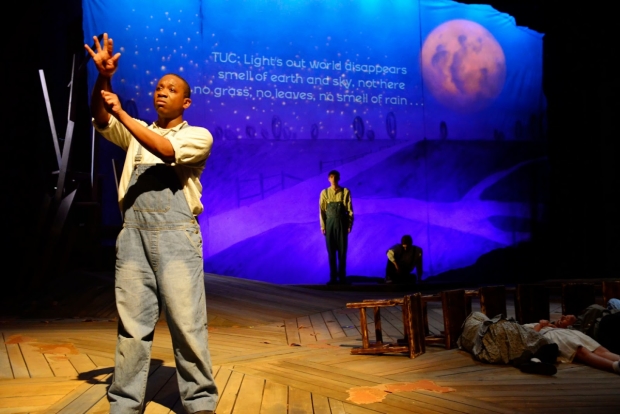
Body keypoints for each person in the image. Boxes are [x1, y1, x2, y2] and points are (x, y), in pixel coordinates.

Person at [85, 33, 218, 413]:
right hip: (134, 238)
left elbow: (164, 150)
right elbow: (100, 116)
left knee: (187, 326)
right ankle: (124, 404)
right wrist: (104, 78)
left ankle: (200, 404)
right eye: (159, 87)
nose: (162, 92)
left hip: (177, 237)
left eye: (171, 89)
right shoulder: (135, 134)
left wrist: (123, 114)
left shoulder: (198, 135)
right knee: (132, 328)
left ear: (185, 101)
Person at [458, 312, 559, 375]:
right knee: (549, 346)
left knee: (541, 346)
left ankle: (533, 362)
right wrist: (540, 325)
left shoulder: (465, 338)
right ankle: (533, 361)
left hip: (498, 336)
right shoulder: (477, 319)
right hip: (497, 331)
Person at [528, 316, 620, 374]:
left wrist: (564, 322)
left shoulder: (555, 324)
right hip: (554, 334)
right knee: (582, 352)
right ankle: (614, 366)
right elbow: (531, 336)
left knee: (601, 351)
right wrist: (540, 325)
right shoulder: (530, 325)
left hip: (570, 332)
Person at [319, 170, 353, 285]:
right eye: (331, 177)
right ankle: (333, 278)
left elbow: (349, 210)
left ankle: (342, 278)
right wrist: (323, 226)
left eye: (336, 177)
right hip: (330, 224)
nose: (334, 179)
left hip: (342, 223)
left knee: (342, 252)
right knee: (331, 252)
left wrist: (349, 224)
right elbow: (322, 211)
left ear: (339, 178)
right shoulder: (324, 193)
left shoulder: (345, 191)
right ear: (329, 179)